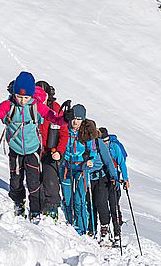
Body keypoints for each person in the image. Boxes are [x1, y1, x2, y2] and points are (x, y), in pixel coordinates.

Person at [0, 71, 62, 217]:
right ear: (14, 93)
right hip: (15, 149)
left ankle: (35, 210)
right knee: (16, 181)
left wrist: (65, 118)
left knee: (34, 182)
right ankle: (18, 204)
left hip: (33, 150)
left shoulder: (36, 106)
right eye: (19, 96)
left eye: (26, 97)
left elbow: (54, 119)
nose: (23, 100)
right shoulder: (8, 106)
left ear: (31, 95)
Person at [83, 120, 121, 242]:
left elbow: (108, 161)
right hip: (87, 177)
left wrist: (114, 177)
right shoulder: (80, 143)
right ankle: (91, 229)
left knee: (101, 203)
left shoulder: (99, 143)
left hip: (100, 178)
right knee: (90, 204)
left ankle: (105, 228)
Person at [59, 103, 92, 235]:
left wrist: (90, 160)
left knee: (79, 201)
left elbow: (92, 151)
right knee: (67, 199)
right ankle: (70, 225)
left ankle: (83, 229)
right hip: (66, 167)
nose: (75, 122)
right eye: (73, 118)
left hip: (81, 168)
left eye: (78, 119)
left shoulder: (87, 133)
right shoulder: (65, 129)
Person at [36, 81, 65, 221]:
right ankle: (37, 209)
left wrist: (59, 151)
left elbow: (64, 133)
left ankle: (51, 211)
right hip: (34, 150)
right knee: (35, 182)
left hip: (50, 151)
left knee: (50, 181)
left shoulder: (55, 108)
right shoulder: (31, 107)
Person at [98, 126, 129, 241]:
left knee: (114, 204)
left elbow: (122, 163)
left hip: (114, 177)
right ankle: (108, 229)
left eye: (106, 141)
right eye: (103, 142)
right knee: (104, 204)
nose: (105, 144)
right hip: (102, 177)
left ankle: (117, 230)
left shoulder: (114, 147)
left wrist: (125, 179)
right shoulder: (99, 147)